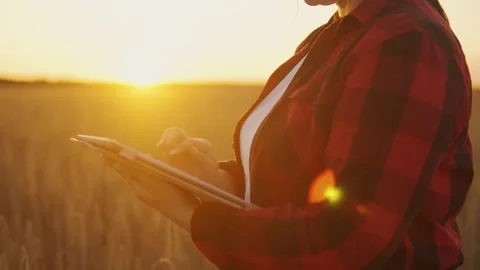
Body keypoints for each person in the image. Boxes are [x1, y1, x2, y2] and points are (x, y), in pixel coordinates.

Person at [108, 0, 474, 269]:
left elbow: (352, 237)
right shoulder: (334, 36)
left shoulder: (405, 40)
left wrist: (188, 215)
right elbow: (304, 187)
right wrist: (211, 178)